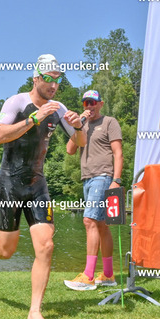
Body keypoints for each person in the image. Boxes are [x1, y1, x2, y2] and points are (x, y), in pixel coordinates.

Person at [0, 54, 86, 319]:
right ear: (36, 78)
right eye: (49, 79)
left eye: (58, 79)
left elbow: (80, 142)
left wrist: (78, 126)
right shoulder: (17, 103)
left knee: (46, 245)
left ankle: (34, 310)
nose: (54, 85)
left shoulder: (59, 108)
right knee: (7, 250)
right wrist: (33, 119)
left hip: (37, 185)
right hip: (8, 185)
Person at [64, 90, 122, 291]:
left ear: (100, 104)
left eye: (93, 102)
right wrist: (78, 125)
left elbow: (118, 153)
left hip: (103, 177)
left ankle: (88, 276)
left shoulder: (109, 122)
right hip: (87, 179)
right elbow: (70, 150)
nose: (89, 106)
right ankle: (108, 275)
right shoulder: (82, 126)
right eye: (86, 103)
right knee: (102, 226)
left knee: (89, 221)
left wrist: (116, 180)